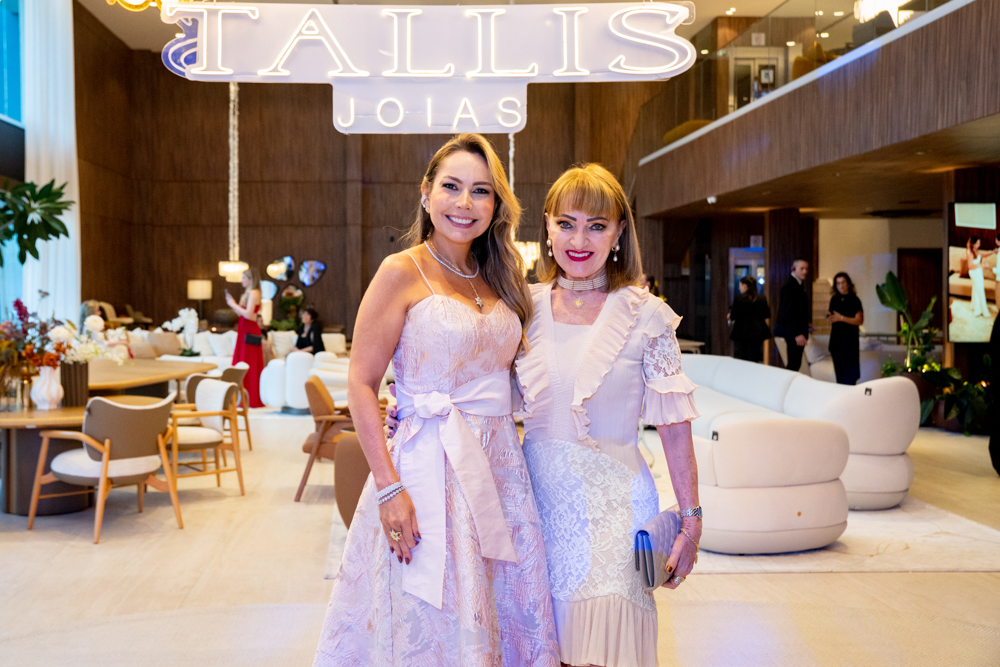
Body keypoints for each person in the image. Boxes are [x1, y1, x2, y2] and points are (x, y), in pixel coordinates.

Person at [313, 134, 559, 666]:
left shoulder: (503, 278)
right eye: (451, 186)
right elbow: (361, 382)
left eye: (481, 191)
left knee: (499, 610)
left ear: (496, 205)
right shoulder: (400, 271)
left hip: (500, 472)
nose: (464, 203)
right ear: (426, 193)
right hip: (428, 468)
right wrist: (388, 487)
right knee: (427, 616)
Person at [518, 164, 701, 666]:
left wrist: (691, 522)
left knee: (607, 653)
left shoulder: (647, 314)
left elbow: (675, 427)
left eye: (597, 226)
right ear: (548, 227)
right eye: (567, 223)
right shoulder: (520, 308)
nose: (579, 240)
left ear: (620, 233)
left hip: (618, 520)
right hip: (536, 516)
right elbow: (481, 396)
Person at [225, 268, 264, 408]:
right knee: (242, 361)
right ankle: (241, 397)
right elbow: (242, 314)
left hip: (249, 330)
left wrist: (233, 304)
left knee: (249, 363)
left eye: (243, 278)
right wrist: (233, 304)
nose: (241, 281)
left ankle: (249, 398)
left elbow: (250, 315)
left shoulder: (254, 293)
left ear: (251, 279)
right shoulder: (249, 293)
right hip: (244, 329)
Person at [825, 272, 864, 385]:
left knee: (850, 377)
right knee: (839, 377)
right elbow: (833, 317)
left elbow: (859, 320)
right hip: (836, 342)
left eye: (843, 283)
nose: (841, 286)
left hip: (850, 343)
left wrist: (841, 318)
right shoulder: (834, 299)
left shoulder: (855, 300)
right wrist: (829, 317)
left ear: (848, 284)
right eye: (838, 283)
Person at [774, 259, 811, 372]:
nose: (805, 271)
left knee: (795, 364)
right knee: (794, 364)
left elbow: (796, 311)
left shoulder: (798, 285)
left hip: (794, 331)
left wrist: (806, 324)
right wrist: (797, 333)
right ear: (793, 269)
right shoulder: (790, 286)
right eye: (802, 268)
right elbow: (788, 313)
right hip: (793, 333)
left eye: (806, 269)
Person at [729, 275, 771, 362]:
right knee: (754, 357)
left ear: (745, 286)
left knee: (742, 357)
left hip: (741, 333)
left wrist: (729, 316)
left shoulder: (738, 298)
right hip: (757, 333)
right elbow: (767, 314)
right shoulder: (761, 298)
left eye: (740, 285)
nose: (739, 288)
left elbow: (733, 316)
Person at [967, 236, 998, 318]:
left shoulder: (976, 250)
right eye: (977, 243)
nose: (979, 244)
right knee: (980, 290)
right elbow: (970, 266)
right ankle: (983, 310)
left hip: (978, 272)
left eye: (979, 243)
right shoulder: (969, 252)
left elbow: (983, 255)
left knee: (976, 289)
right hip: (974, 272)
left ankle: (976, 308)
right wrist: (981, 265)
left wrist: (992, 252)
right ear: (973, 244)